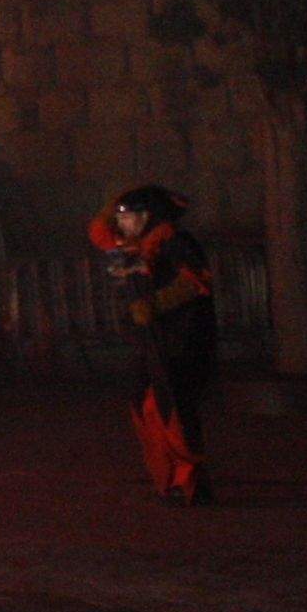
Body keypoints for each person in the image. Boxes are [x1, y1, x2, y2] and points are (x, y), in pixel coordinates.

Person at [89, 183, 217, 505]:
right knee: (144, 405)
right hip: (149, 341)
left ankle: (190, 483)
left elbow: (196, 282)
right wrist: (114, 206)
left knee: (173, 408)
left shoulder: (174, 242)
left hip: (180, 339)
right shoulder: (130, 248)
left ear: (147, 216)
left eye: (130, 216)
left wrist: (155, 305)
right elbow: (99, 233)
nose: (123, 223)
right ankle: (167, 480)